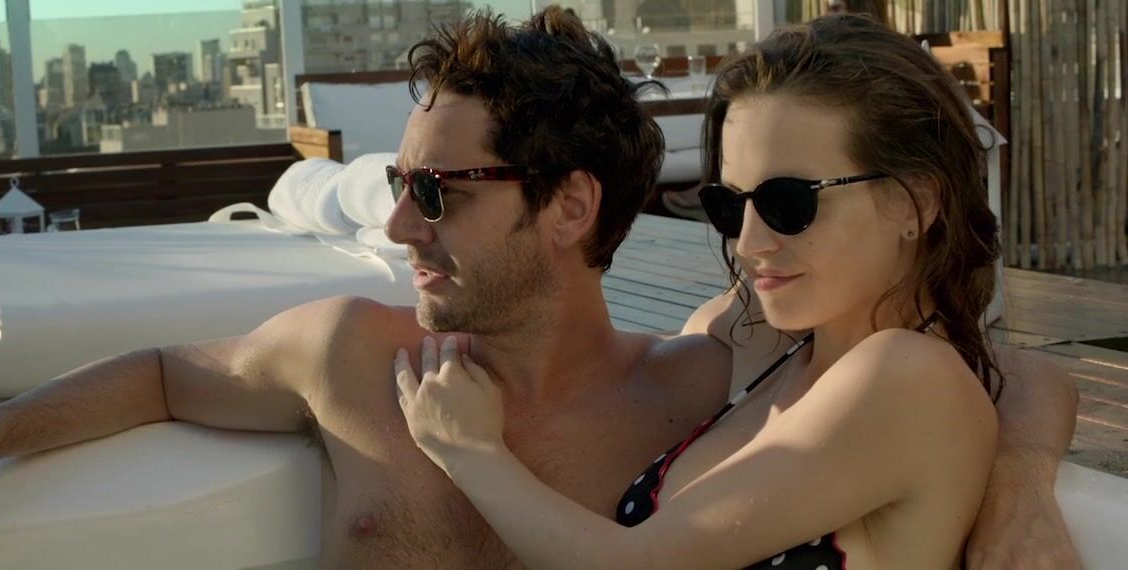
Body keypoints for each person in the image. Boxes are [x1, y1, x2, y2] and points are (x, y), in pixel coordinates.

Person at [0, 9, 1076, 570]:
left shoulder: (693, 385)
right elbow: (159, 375)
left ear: (569, 207)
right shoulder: (351, 358)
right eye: (728, 205)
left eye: (435, 191)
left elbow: (962, 370)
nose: (398, 223)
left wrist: (1021, 479)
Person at [394, 13, 1077, 569]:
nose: (749, 243)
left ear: (915, 203)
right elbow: (1023, 373)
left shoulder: (906, 377)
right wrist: (1021, 469)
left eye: (787, 203)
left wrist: (469, 451)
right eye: (730, 204)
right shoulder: (769, 342)